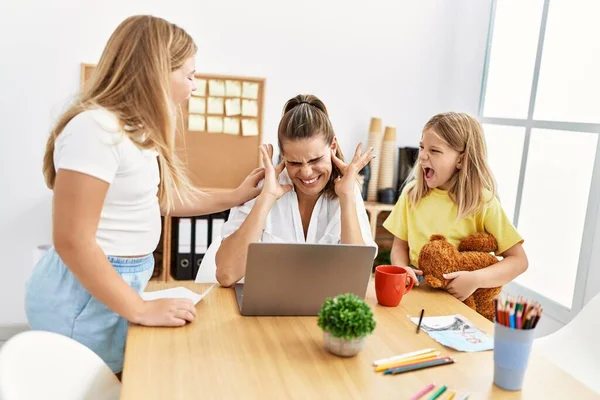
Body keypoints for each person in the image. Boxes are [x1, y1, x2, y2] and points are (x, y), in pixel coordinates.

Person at [25, 15, 264, 374]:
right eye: (189, 74)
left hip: (116, 285)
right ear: (157, 72)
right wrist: (139, 308)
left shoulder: (134, 133)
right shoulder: (95, 128)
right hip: (83, 296)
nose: (194, 86)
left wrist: (234, 196)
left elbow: (159, 201)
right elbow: (72, 241)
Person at [213, 94, 377, 287]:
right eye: (294, 162)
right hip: (264, 311)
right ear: (283, 156)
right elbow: (226, 274)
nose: (306, 172)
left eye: (315, 160)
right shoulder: (264, 188)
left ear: (332, 145)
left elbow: (356, 280)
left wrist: (347, 197)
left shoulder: (347, 191)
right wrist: (267, 198)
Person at [383, 112, 528, 304]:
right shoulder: (412, 194)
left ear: (460, 160)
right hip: (418, 294)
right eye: (422, 147)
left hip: (463, 302)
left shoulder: (482, 202)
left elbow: (519, 261)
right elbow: (399, 247)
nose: (423, 156)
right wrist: (402, 268)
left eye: (434, 150)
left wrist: (475, 280)